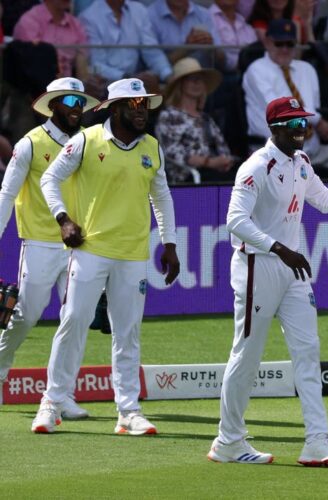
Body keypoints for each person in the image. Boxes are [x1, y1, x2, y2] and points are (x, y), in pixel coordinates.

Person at [208, 96, 328, 466]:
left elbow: (324, 200)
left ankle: (317, 441)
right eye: (294, 125)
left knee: (308, 351)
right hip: (258, 266)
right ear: (274, 128)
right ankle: (228, 440)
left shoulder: (302, 163)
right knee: (247, 355)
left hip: (292, 270)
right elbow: (235, 220)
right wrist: (278, 248)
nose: (302, 130)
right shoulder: (256, 166)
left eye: (304, 123)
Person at [32, 78, 180, 435]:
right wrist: (63, 219)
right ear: (114, 108)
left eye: (144, 104)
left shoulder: (152, 147)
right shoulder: (87, 139)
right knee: (73, 324)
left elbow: (162, 198)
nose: (141, 110)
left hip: (132, 254)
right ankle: (51, 403)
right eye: (133, 104)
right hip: (91, 249)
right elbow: (49, 180)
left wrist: (170, 244)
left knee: (127, 333)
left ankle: (128, 411)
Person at [0, 78, 100, 413]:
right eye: (70, 100)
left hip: (79, 244)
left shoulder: (87, 142)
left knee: (77, 317)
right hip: (40, 242)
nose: (77, 108)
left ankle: (62, 394)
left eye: (80, 102)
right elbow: (7, 194)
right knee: (25, 316)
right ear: (53, 104)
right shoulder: (30, 143)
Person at [243, 19, 328, 171]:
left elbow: (315, 106)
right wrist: (318, 121)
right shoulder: (256, 70)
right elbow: (280, 109)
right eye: (279, 44)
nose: (285, 49)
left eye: (290, 44)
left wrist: (319, 123)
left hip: (310, 153)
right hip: (274, 155)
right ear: (268, 42)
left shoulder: (307, 69)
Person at [155, 57, 235, 183]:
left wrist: (226, 161)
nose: (197, 83)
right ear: (180, 84)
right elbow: (171, 152)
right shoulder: (169, 116)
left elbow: (222, 148)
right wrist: (208, 162)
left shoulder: (206, 118)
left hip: (214, 173)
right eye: (191, 79)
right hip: (187, 177)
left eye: (200, 79)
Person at [79, 0, 173, 86]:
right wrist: (127, 78)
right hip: (105, 85)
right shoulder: (89, 17)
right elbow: (96, 64)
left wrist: (168, 76)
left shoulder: (139, 11)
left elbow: (152, 52)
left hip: (134, 82)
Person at [12, 0, 95, 83]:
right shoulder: (29, 22)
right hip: (36, 88)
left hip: (68, 87)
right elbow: (31, 65)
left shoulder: (76, 24)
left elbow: (83, 65)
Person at [146, 0, 226, 68]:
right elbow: (153, 64)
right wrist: (187, 48)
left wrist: (211, 48)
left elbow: (222, 61)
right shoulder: (149, 15)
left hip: (203, 79)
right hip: (165, 81)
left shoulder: (203, 14)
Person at [210, 0, 258, 73]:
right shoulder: (206, 18)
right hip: (220, 76)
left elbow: (256, 52)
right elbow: (216, 56)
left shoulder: (244, 23)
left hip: (249, 73)